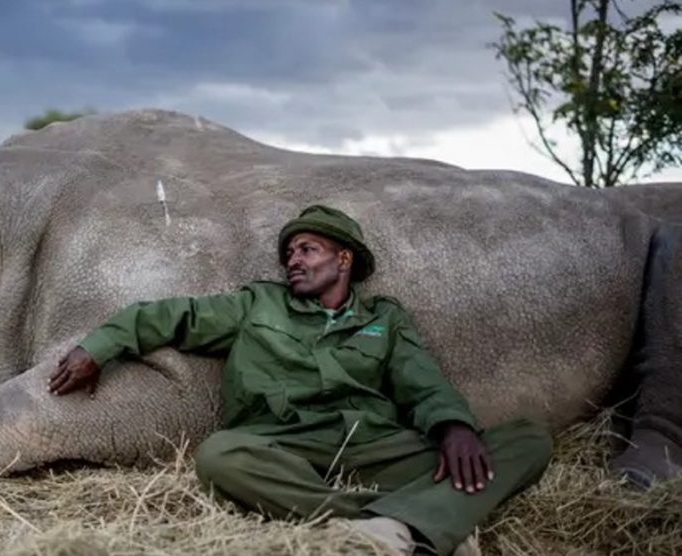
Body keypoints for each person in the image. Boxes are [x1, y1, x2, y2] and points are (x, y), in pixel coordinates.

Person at [48, 205, 552, 555]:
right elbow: (167, 316)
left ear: (344, 260)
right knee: (219, 456)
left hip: (373, 445)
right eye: (289, 253)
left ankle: (401, 527)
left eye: (307, 249)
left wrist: (452, 427)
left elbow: (423, 382)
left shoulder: (384, 319)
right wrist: (99, 347)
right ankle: (411, 525)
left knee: (528, 440)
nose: (293, 260)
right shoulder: (257, 305)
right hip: (281, 445)